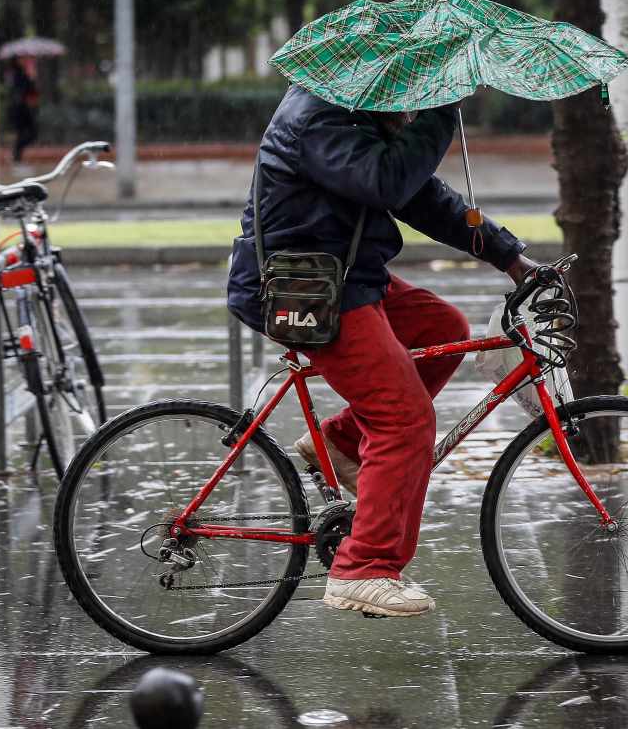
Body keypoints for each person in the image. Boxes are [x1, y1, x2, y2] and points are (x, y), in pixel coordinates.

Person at [227, 85, 537, 617]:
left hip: (344, 276)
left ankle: (343, 443)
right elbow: (387, 180)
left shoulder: (358, 117)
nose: (415, 101)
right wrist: (442, 114)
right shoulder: (318, 119)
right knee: (405, 419)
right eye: (415, 90)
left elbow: (421, 196)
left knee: (442, 329)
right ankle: (363, 568)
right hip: (302, 287)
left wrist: (510, 257)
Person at [7, 57, 39, 163]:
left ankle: (17, 155)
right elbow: (27, 89)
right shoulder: (18, 75)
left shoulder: (21, 74)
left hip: (23, 108)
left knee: (28, 133)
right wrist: (31, 78)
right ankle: (17, 155)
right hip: (20, 109)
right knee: (28, 133)